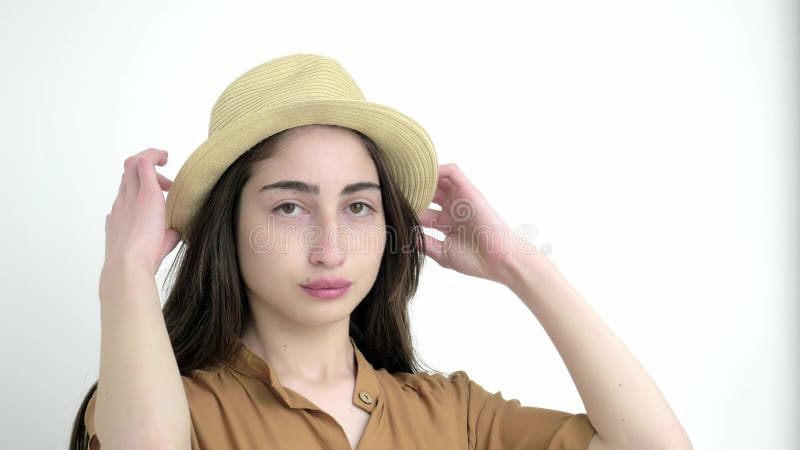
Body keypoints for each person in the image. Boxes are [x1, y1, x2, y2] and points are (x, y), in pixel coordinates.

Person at [69, 54, 692, 450]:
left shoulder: (456, 416)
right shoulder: (168, 406)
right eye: (290, 207)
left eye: (359, 207)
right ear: (227, 227)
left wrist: (523, 266)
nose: (331, 248)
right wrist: (124, 271)